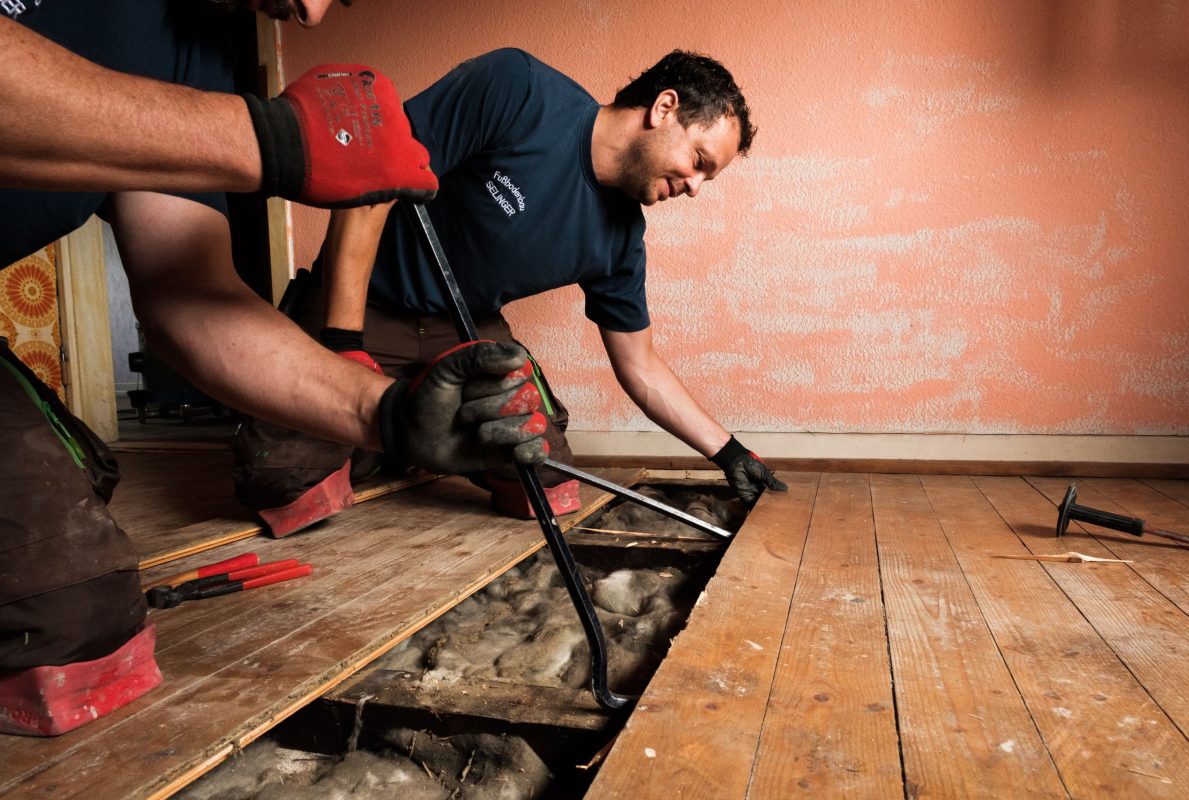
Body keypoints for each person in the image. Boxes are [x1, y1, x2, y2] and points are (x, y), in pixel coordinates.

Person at [0, 2, 547, 736]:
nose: (314, 12)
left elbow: (193, 302)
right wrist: (267, 139)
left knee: (70, 621)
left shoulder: (187, 50)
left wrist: (385, 413)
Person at [234, 47, 788, 531]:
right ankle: (376, 445)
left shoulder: (621, 240)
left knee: (547, 487)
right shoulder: (518, 89)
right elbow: (373, 181)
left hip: (465, 332)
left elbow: (640, 367)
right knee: (291, 493)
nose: (693, 189)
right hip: (361, 306)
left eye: (705, 180)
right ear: (664, 108)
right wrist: (341, 340)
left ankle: (402, 433)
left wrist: (731, 452)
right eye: (698, 163)